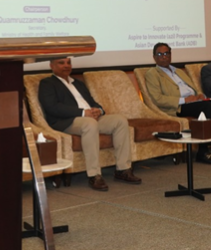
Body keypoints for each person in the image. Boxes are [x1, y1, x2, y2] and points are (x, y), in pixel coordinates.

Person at [38, 57, 142, 191]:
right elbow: (52, 107)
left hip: (89, 118)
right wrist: (83, 113)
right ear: (51, 66)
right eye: (61, 63)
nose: (66, 65)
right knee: (89, 124)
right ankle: (94, 174)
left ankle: (123, 169)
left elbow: (92, 102)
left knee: (120, 120)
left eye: (69, 63)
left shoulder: (78, 83)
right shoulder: (47, 83)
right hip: (67, 121)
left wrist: (98, 110)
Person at [143, 43, 211, 165]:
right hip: (178, 106)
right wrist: (184, 100)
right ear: (154, 57)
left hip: (194, 102)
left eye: (166, 53)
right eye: (160, 54)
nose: (164, 56)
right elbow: (158, 99)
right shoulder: (152, 73)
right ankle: (203, 151)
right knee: (206, 107)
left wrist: (200, 95)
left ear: (170, 55)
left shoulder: (179, 71)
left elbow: (193, 89)